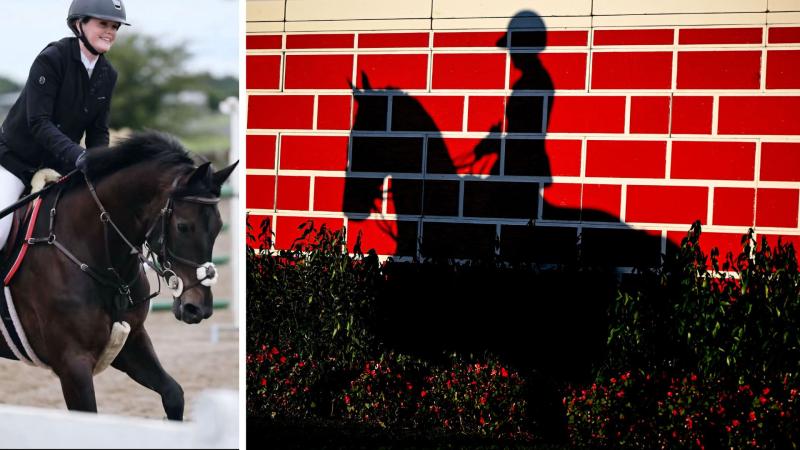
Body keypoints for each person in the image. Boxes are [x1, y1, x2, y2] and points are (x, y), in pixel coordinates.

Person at [0, 0, 129, 251]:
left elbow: (98, 132)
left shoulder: (107, 74)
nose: (110, 31)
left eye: (115, 26)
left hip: (59, 167)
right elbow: (38, 122)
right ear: (78, 24)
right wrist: (79, 156)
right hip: (15, 162)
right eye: (103, 23)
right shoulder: (52, 59)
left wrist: (99, 165)